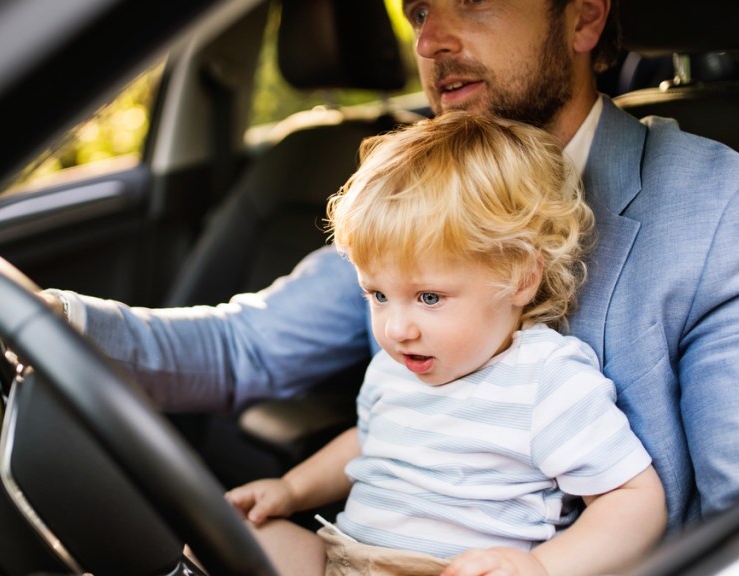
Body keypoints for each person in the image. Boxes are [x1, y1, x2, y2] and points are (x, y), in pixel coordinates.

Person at [0, 0, 739, 551]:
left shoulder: (726, 212)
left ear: (583, 15)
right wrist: (44, 321)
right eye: (420, 9)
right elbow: (244, 345)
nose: (430, 39)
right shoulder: (423, 189)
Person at [223, 111, 667, 576]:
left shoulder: (546, 380)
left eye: (428, 297)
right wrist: (292, 490)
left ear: (520, 276)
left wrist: (538, 567)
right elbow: (369, 441)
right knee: (228, 534)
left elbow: (632, 499)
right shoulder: (396, 367)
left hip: (445, 570)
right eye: (377, 295)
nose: (396, 329)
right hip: (345, 557)